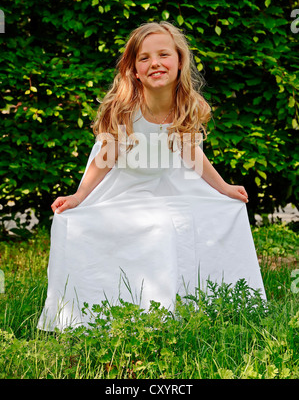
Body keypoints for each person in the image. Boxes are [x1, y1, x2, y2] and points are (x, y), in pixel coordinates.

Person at [37, 21, 266, 331]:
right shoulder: (124, 108)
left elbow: (190, 154)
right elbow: (105, 160)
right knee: (89, 224)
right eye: (144, 58)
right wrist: (79, 197)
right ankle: (103, 312)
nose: (155, 63)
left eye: (163, 54)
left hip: (165, 177)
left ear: (179, 61)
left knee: (222, 212)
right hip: (120, 181)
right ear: (134, 69)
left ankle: (212, 303)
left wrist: (224, 188)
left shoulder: (187, 105)